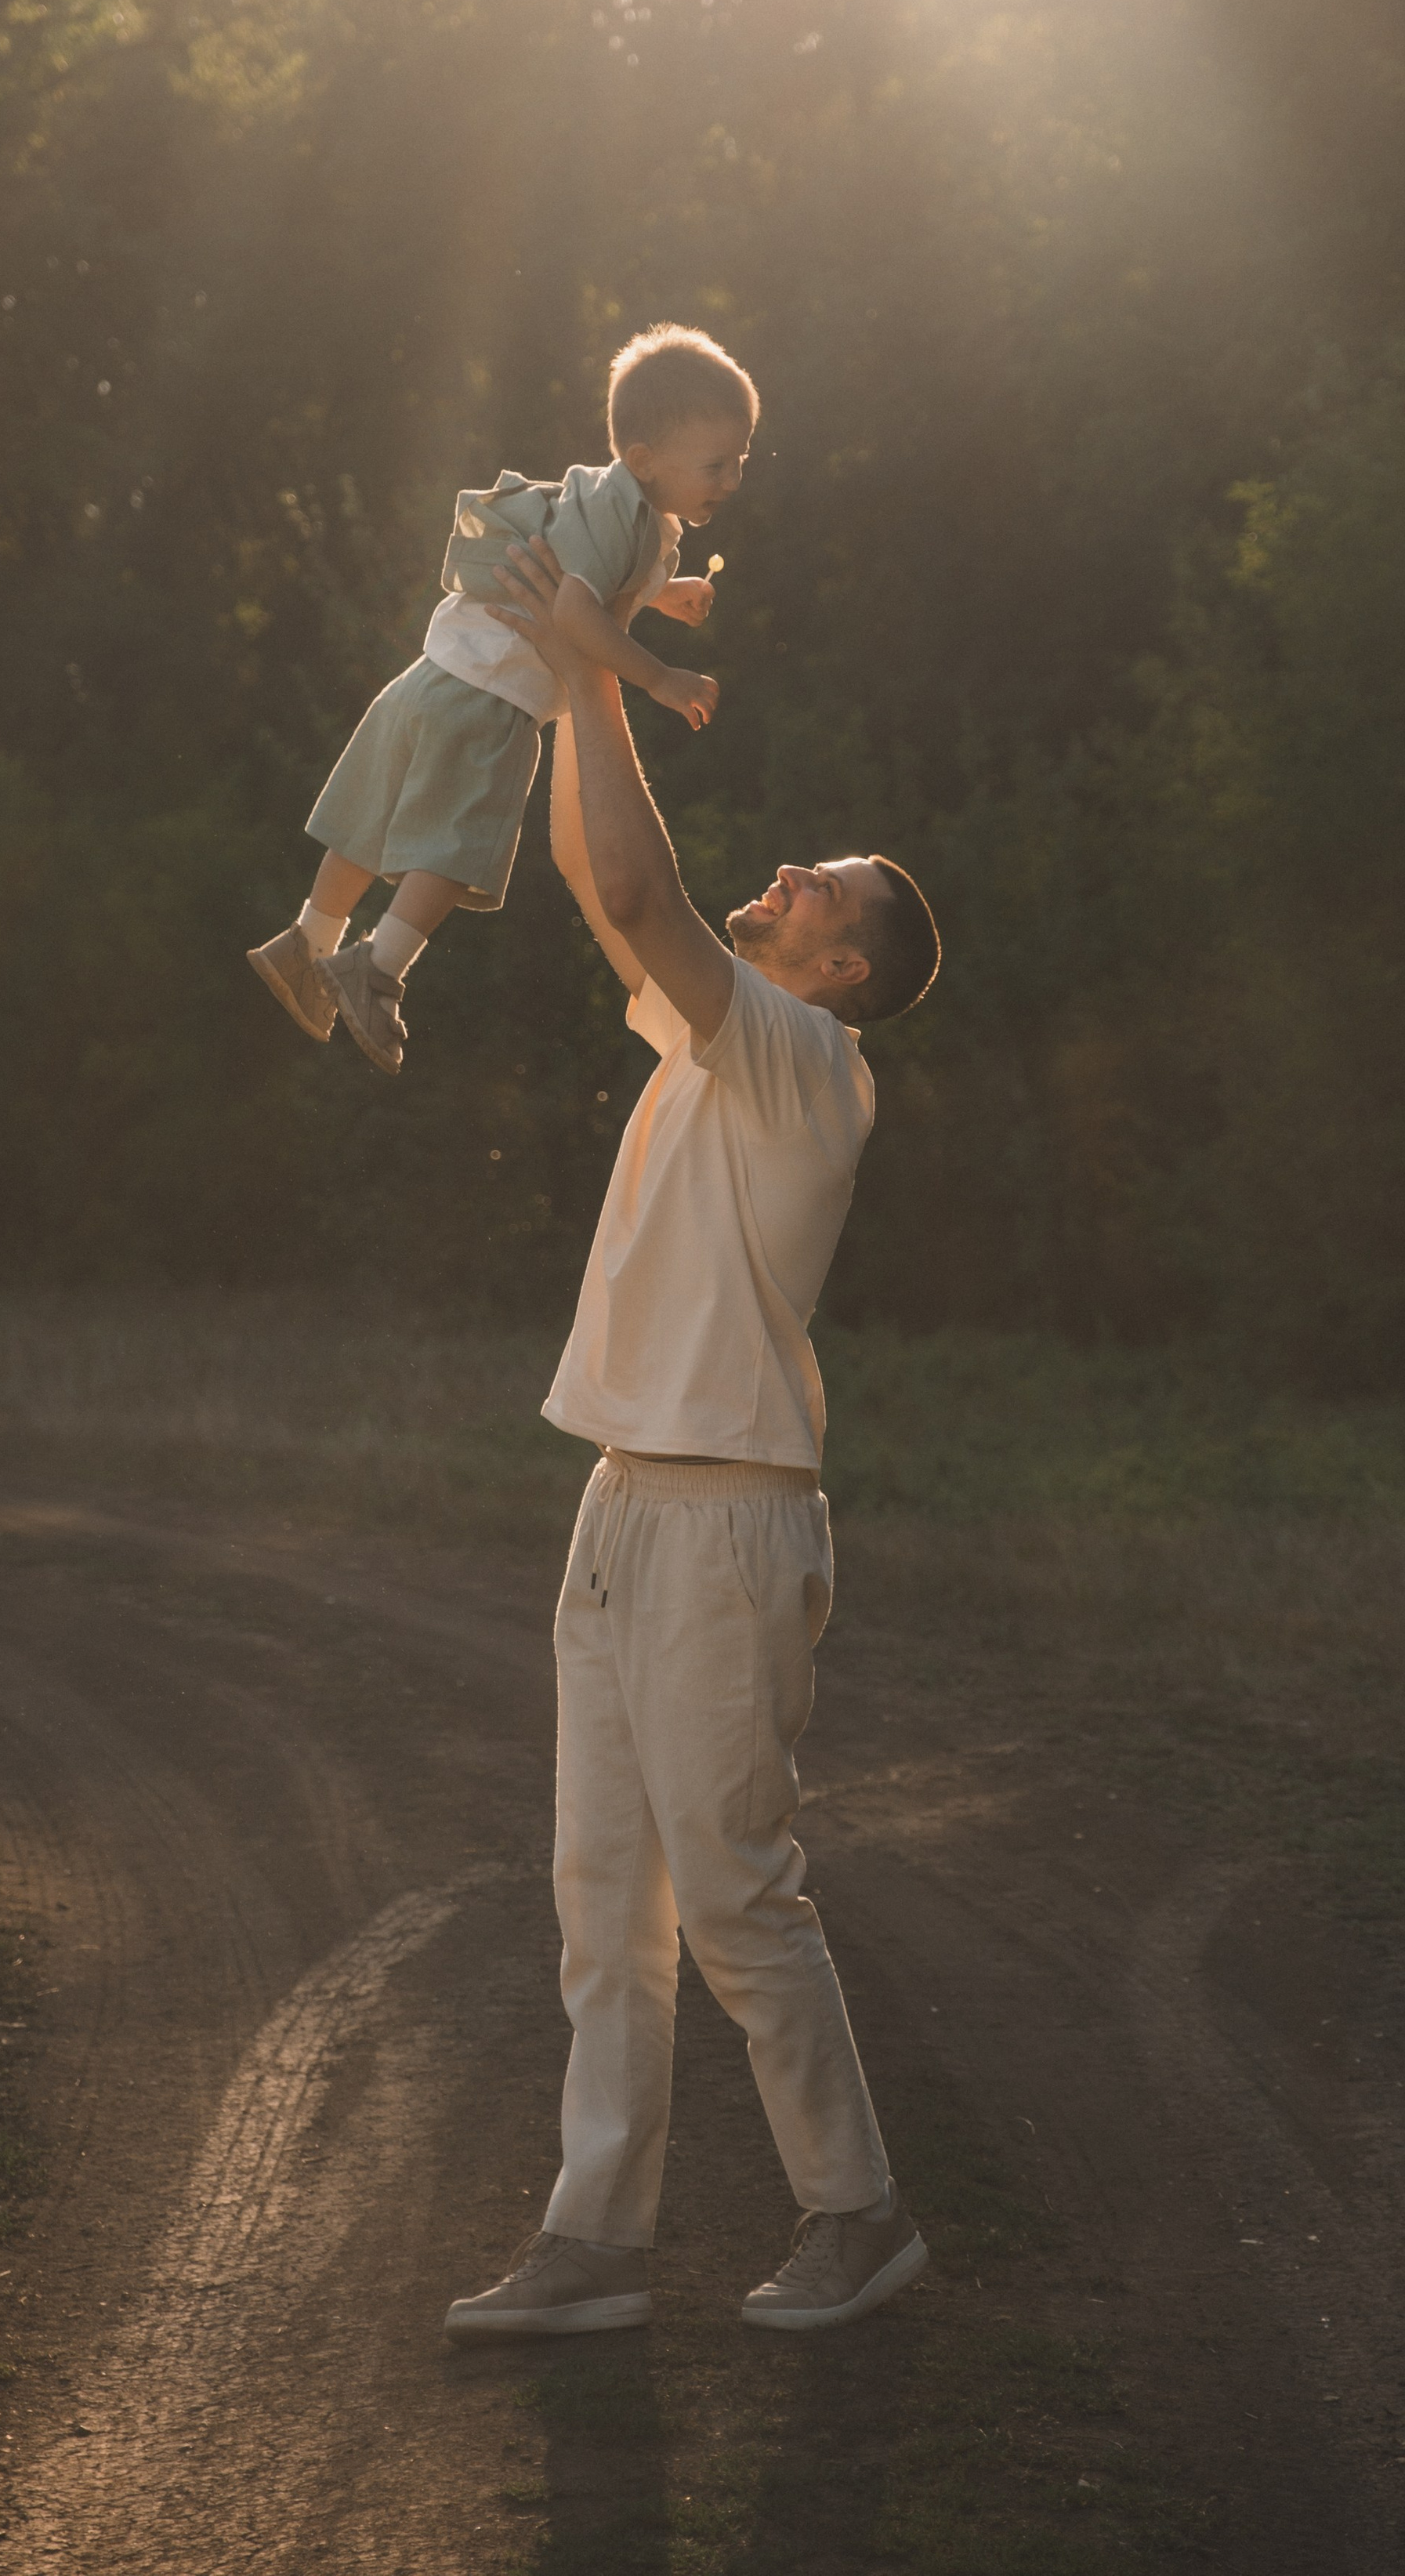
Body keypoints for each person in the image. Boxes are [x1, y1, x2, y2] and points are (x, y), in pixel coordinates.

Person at [443, 534, 942, 2342]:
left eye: (837, 890)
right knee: (602, 1903)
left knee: (731, 1892)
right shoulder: (715, 1038)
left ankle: (854, 2212)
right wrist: (583, 665)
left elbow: (651, 898)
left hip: (730, 1526)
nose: (797, 871)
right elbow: (606, 879)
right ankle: (594, 2238)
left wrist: (594, 660)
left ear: (845, 975)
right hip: (620, 1502)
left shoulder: (810, 1068)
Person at [244, 324, 752, 1074]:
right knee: (460, 840)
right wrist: (660, 678)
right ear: (645, 461)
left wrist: (663, 594)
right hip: (495, 697)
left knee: (374, 813)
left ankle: (309, 940)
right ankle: (376, 967)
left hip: (439, 669)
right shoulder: (628, 516)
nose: (732, 480)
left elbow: (595, 576)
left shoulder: (627, 510)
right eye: (717, 464)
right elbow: (574, 615)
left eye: (739, 460)